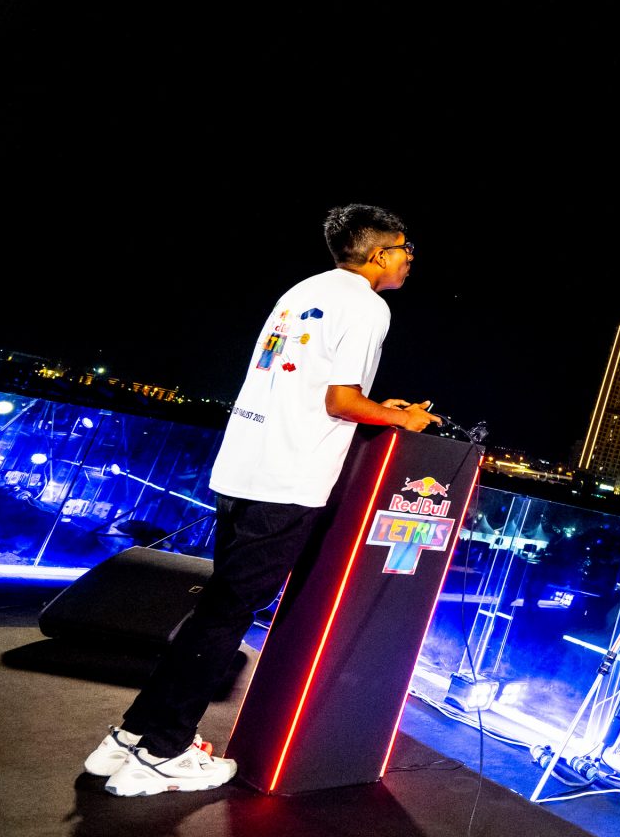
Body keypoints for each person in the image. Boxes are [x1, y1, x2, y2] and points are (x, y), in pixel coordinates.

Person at [85, 204, 441, 796]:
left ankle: (132, 736)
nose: (410, 259)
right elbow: (342, 401)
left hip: (244, 467)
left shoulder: (303, 290)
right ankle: (163, 753)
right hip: (288, 478)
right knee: (225, 616)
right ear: (378, 254)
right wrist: (405, 420)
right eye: (405, 248)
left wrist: (382, 409)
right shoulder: (368, 306)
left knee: (215, 610)